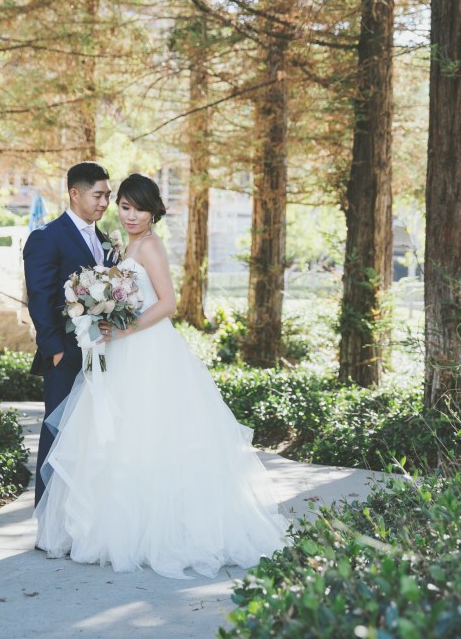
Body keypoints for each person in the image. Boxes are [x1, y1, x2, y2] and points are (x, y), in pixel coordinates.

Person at [34, 173, 288, 579]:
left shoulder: (150, 246)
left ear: (154, 212)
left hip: (148, 350)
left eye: (138, 208)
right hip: (119, 352)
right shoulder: (120, 246)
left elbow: (168, 303)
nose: (129, 215)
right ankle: (110, 527)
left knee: (152, 433)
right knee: (115, 436)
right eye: (125, 206)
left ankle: (157, 533)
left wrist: (121, 330)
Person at [23, 161, 113, 507]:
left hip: (100, 353)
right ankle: (48, 520)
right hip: (65, 353)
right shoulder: (46, 237)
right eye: (98, 195)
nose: (104, 202)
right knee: (58, 434)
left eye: (107, 195)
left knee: (91, 435)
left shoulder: (105, 241)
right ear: (75, 193)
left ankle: (83, 514)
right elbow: (40, 296)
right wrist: (54, 349)